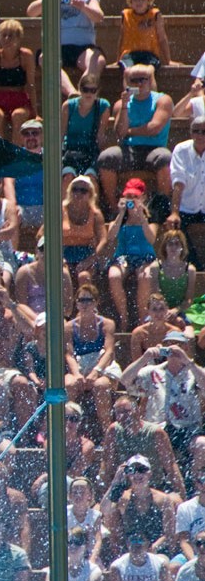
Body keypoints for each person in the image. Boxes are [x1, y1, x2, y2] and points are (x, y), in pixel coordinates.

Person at [121, 331, 204, 464]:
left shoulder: (194, 372)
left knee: (202, 445)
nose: (173, 348)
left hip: (187, 427)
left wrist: (187, 361)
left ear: (186, 348)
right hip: (158, 427)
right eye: (169, 344)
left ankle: (196, 476)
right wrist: (144, 358)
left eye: (178, 345)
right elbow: (125, 380)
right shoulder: (152, 371)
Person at [97, 65, 174, 209]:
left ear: (150, 81)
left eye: (143, 79)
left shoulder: (163, 100)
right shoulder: (120, 104)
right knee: (106, 157)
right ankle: (114, 207)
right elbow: (120, 133)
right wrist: (125, 107)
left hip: (154, 149)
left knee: (165, 158)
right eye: (134, 80)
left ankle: (163, 207)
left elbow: (154, 128)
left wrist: (129, 131)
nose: (139, 84)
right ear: (128, 83)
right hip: (128, 149)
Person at [25, 0, 106, 97]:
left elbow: (99, 17)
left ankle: (82, 93)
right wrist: (47, 0)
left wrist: (83, 7)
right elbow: (31, 12)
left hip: (83, 48)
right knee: (45, 59)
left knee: (98, 60)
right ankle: (72, 93)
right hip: (56, 47)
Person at [98, 178, 157, 331]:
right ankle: (124, 318)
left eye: (135, 197)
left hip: (145, 257)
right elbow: (110, 236)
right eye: (128, 197)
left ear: (143, 198)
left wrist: (141, 216)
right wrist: (121, 213)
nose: (132, 201)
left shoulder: (150, 219)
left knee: (145, 276)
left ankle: (142, 319)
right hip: (124, 257)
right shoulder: (120, 220)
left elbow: (151, 239)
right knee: (114, 275)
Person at [63, 283, 117, 434]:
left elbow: (109, 351)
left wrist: (96, 372)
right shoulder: (68, 327)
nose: (85, 304)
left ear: (96, 302)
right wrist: (77, 374)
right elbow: (69, 354)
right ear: (76, 303)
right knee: (69, 384)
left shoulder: (107, 324)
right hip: (80, 366)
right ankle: (68, 431)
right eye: (81, 300)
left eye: (89, 300)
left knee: (100, 386)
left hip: (102, 367)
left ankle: (107, 433)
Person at [0, 19, 36, 143]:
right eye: (4, 35)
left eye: (11, 35)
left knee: (17, 116)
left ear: (19, 38)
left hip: (20, 99)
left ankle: (15, 151)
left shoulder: (26, 56)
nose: (6, 39)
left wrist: (35, 112)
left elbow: (31, 85)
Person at [61, 73, 110, 189]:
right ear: (79, 89)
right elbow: (61, 134)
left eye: (92, 90)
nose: (89, 93)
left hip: (91, 152)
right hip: (71, 152)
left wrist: (101, 159)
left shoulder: (102, 106)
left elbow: (100, 135)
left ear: (98, 91)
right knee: (68, 177)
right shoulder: (68, 106)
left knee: (91, 178)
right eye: (85, 89)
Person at [168, 116, 205, 269]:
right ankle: (193, 267)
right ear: (190, 132)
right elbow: (178, 183)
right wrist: (174, 212)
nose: (200, 135)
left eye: (204, 131)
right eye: (196, 131)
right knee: (175, 228)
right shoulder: (181, 150)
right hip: (186, 208)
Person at [62, 175, 106, 289]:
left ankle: (85, 299)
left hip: (86, 253)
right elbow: (42, 234)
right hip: (63, 253)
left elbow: (103, 240)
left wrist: (90, 260)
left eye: (83, 190)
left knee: (84, 276)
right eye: (75, 189)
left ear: (90, 194)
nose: (78, 193)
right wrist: (57, 257)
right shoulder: (60, 210)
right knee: (63, 276)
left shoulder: (95, 214)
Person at [116, 0, 173, 69]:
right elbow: (121, 38)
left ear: (148, 1)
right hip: (129, 54)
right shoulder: (126, 15)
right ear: (130, 1)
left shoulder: (155, 15)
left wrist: (168, 60)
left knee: (148, 71)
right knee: (128, 71)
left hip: (150, 54)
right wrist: (117, 60)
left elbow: (162, 38)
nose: (139, 2)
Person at [105, 527, 170, 581]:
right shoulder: (117, 567)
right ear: (127, 543)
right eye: (133, 540)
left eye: (140, 540)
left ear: (148, 543)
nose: (137, 544)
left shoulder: (161, 564)